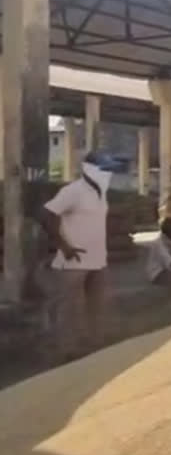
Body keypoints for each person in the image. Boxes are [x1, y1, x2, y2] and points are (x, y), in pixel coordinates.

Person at [39, 150, 121, 359]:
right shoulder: (73, 191)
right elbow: (48, 215)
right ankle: (66, 351)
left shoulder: (100, 193)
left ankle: (95, 348)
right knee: (69, 309)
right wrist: (64, 247)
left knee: (98, 305)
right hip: (74, 261)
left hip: (98, 260)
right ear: (90, 168)